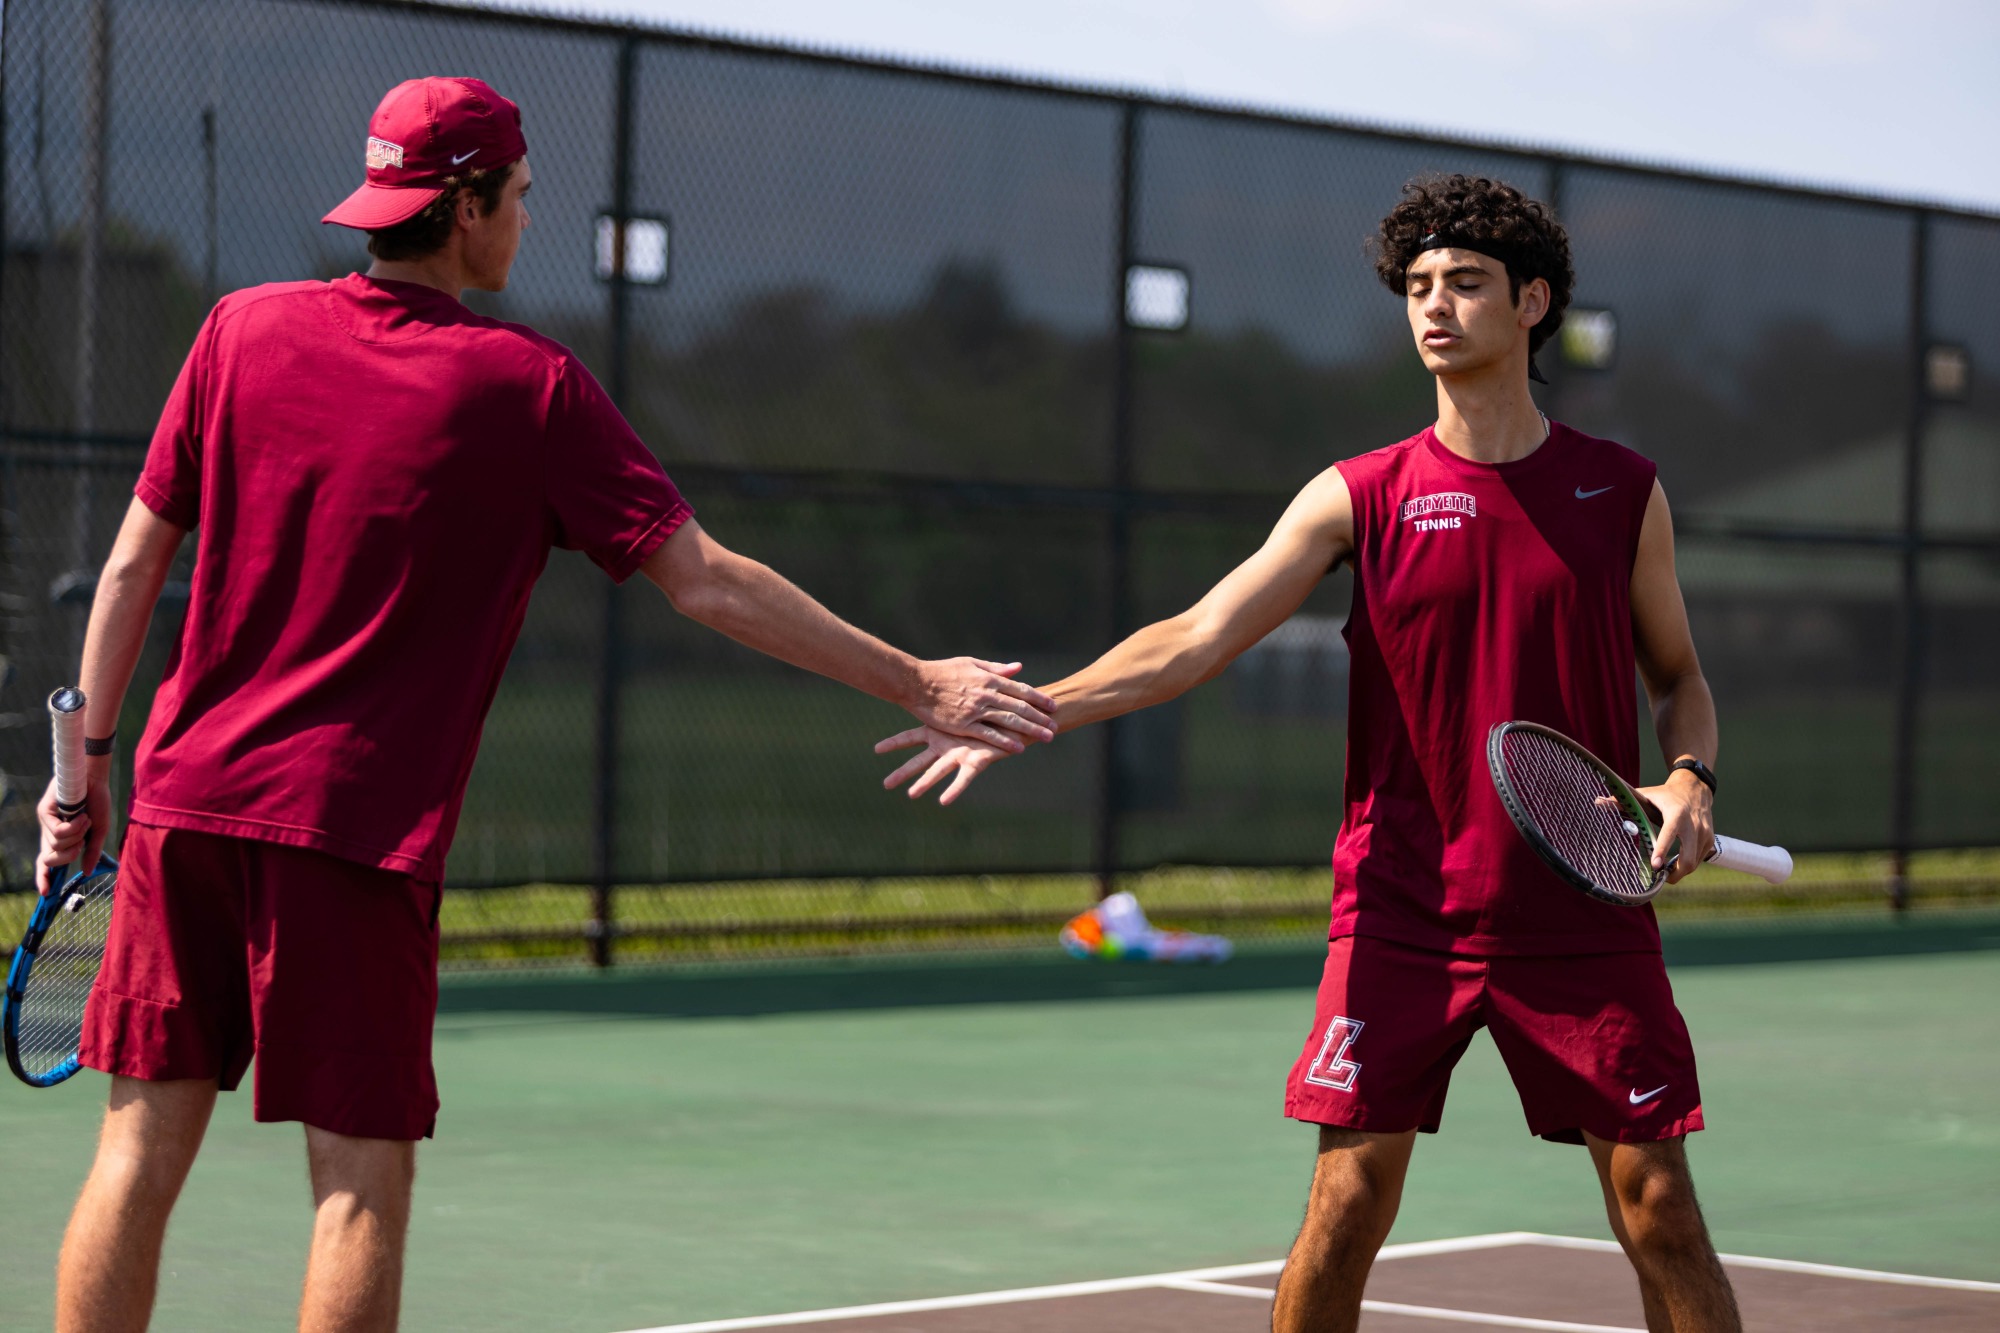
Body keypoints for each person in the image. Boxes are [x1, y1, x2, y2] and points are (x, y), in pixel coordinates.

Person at [36, 76, 1055, 1333]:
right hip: (353, 838)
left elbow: (133, 566)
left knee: (133, 1153)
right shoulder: (528, 387)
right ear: (463, 206)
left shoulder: (236, 331)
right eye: (516, 196)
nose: (525, 219)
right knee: (360, 1185)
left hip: (178, 814)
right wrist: (922, 680)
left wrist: (82, 779)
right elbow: (709, 584)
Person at [882, 174, 1742, 1333]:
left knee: (1657, 1207)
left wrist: (1688, 777)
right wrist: (1029, 708)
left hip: (1579, 906)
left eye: (1466, 284)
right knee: (1344, 1200)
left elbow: (1678, 677)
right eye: (1418, 287)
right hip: (1400, 908)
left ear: (1532, 303)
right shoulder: (1359, 493)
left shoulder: (1617, 490)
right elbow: (1193, 636)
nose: (1433, 307)